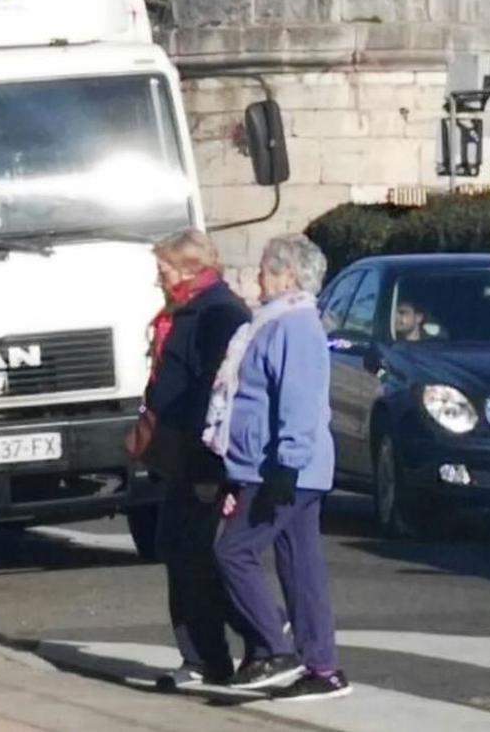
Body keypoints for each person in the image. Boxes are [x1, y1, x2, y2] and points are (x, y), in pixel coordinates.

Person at [204, 234, 351, 701]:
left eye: (266, 270)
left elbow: (301, 401)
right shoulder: (272, 323)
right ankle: (322, 667)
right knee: (300, 568)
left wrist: (286, 464)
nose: (257, 278)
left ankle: (273, 647)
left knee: (233, 553)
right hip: (272, 466)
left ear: (289, 275)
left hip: (283, 469)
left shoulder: (295, 326)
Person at [138, 230, 251, 690]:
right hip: (180, 452)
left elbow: (217, 388)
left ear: (188, 267)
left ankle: (255, 634)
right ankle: (204, 656)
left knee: (197, 554)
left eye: (162, 268)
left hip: (201, 454)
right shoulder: (187, 308)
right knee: (176, 548)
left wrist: (210, 459)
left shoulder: (219, 312)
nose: (157, 278)